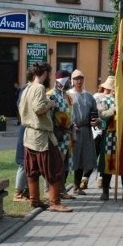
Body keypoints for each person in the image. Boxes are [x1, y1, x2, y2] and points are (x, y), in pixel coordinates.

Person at [18, 62, 73, 212]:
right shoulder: (39, 87)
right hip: (41, 136)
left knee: (33, 169)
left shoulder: (26, 88)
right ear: (44, 73)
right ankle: (54, 202)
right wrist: (51, 104)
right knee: (55, 168)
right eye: (49, 73)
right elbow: (39, 109)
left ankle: (35, 200)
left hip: (29, 135)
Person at [97, 76, 123, 201]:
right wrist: (114, 110)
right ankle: (105, 191)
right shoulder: (104, 100)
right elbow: (102, 115)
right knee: (108, 163)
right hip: (110, 136)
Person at [67, 69, 99, 196]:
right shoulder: (68, 95)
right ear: (72, 80)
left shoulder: (89, 96)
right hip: (71, 131)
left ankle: (76, 185)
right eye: (76, 79)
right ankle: (62, 189)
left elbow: (95, 113)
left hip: (86, 130)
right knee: (70, 159)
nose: (79, 81)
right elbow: (63, 113)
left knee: (83, 159)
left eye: (80, 78)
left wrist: (96, 121)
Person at [47, 69, 75, 199]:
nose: (70, 82)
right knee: (54, 164)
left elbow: (71, 114)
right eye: (68, 79)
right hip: (57, 135)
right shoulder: (51, 95)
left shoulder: (68, 96)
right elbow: (49, 117)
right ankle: (51, 191)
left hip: (67, 136)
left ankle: (62, 190)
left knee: (65, 164)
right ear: (61, 81)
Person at [13, 71, 33, 202]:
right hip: (25, 128)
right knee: (23, 163)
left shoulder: (27, 89)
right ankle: (18, 193)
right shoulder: (27, 90)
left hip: (27, 127)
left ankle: (26, 191)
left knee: (28, 163)